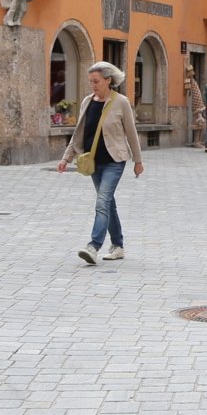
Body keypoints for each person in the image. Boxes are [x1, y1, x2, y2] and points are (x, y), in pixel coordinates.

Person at [56, 60, 145, 263]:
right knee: (108, 203)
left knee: (102, 202)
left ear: (108, 80)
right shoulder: (88, 101)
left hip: (115, 160)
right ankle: (118, 245)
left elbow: (131, 133)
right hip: (93, 161)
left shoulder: (121, 102)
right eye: (90, 81)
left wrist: (138, 161)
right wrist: (66, 158)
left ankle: (93, 246)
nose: (93, 85)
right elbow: (78, 134)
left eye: (96, 81)